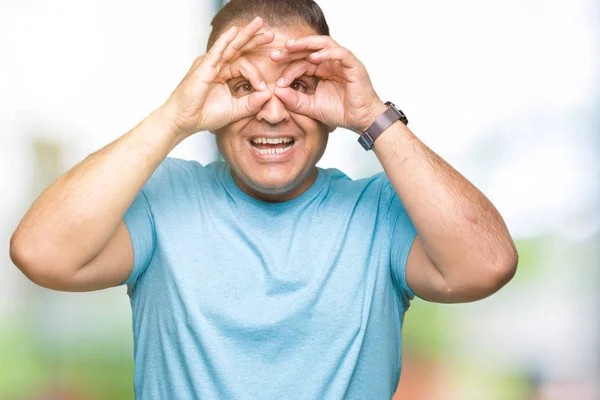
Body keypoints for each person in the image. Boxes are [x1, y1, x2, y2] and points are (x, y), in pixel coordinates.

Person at [9, 0, 518, 398]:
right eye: (242, 85)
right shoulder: (163, 200)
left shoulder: (380, 212)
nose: (273, 113)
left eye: (300, 85)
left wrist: (373, 116)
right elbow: (41, 253)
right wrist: (173, 117)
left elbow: (488, 265)